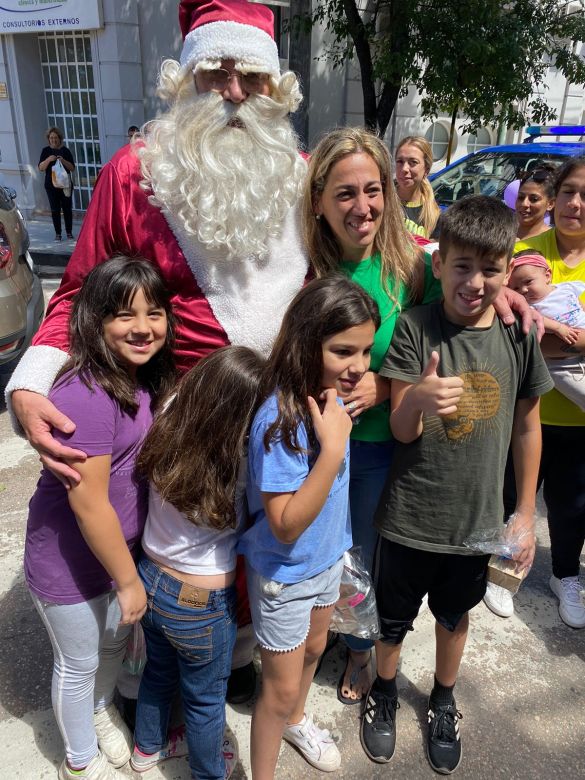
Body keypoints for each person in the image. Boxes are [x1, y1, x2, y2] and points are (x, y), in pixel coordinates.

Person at [7, 0, 307, 704]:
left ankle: (232, 660)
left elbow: (361, 270)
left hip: (274, 415)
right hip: (173, 413)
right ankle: (153, 672)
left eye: (251, 76)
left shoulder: (301, 176)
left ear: (275, 87)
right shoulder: (132, 173)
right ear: (186, 79)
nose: (233, 92)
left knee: (254, 547)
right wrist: (28, 386)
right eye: (216, 72)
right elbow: (80, 290)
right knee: (173, 553)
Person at [302, 126, 535, 705]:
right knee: (317, 553)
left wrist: (512, 292)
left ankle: (359, 652)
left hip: (383, 445)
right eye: (345, 193)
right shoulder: (303, 269)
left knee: (363, 557)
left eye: (374, 189)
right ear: (319, 202)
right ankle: (320, 638)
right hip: (314, 441)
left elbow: (472, 279)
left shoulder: (412, 262)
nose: (364, 207)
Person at [360, 195, 553, 774]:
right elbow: (398, 427)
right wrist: (416, 397)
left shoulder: (519, 334)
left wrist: (522, 511)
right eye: (461, 266)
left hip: (475, 522)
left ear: (507, 268)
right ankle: (385, 691)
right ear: (437, 263)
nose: (474, 282)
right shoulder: (418, 329)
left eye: (490, 269)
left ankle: (443, 699)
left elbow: (527, 426)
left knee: (453, 615)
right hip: (409, 516)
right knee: (392, 620)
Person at [24, 256, 176, 780]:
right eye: (123, 315)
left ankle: (98, 710)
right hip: (69, 564)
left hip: (114, 554)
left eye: (154, 313)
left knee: (111, 645)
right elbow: (88, 503)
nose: (142, 328)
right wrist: (130, 580)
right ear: (95, 319)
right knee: (78, 663)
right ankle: (79, 760)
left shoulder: (135, 378)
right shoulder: (87, 392)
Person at [239, 276, 380, 778]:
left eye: (365, 351)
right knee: (275, 692)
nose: (359, 366)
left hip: (326, 561)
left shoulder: (328, 400)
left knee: (316, 647)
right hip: (285, 575)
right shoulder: (280, 420)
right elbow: (283, 525)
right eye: (343, 350)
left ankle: (297, 721)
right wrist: (336, 449)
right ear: (306, 341)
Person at [130, 346, 264, 780]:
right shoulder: (242, 458)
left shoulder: (168, 412)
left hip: (150, 579)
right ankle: (208, 774)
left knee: (159, 673)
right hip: (202, 602)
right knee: (205, 702)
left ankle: (145, 750)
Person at [489, 157, 585, 627]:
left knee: (572, 504)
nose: (576, 203)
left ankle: (566, 574)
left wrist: (550, 334)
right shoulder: (525, 249)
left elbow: (534, 330)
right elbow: (504, 321)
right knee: (512, 494)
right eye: (569, 191)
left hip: (578, 416)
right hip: (526, 406)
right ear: (556, 196)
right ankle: (505, 569)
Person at [508, 250, 585, 409]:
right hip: (560, 366)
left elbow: (580, 306)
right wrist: (558, 328)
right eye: (515, 288)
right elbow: (537, 319)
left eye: (528, 282)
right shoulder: (528, 307)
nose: (523, 290)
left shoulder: (566, 289)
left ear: (547, 276)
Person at [394, 136, 440, 238]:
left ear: (426, 170)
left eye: (413, 162)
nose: (404, 169)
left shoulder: (434, 215)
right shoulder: (382, 199)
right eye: (400, 161)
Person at [38, 126, 76, 241]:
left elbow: (72, 168)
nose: (53, 140)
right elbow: (40, 168)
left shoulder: (65, 151)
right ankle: (58, 233)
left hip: (65, 185)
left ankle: (69, 232)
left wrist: (63, 160)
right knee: (55, 210)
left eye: (55, 137)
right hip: (51, 186)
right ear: (48, 139)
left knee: (67, 209)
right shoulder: (45, 151)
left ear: (60, 139)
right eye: (51, 138)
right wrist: (49, 159)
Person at [514, 166, 555, 240]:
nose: (524, 204)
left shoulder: (555, 240)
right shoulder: (499, 234)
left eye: (534, 199)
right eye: (521, 197)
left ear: (550, 204)